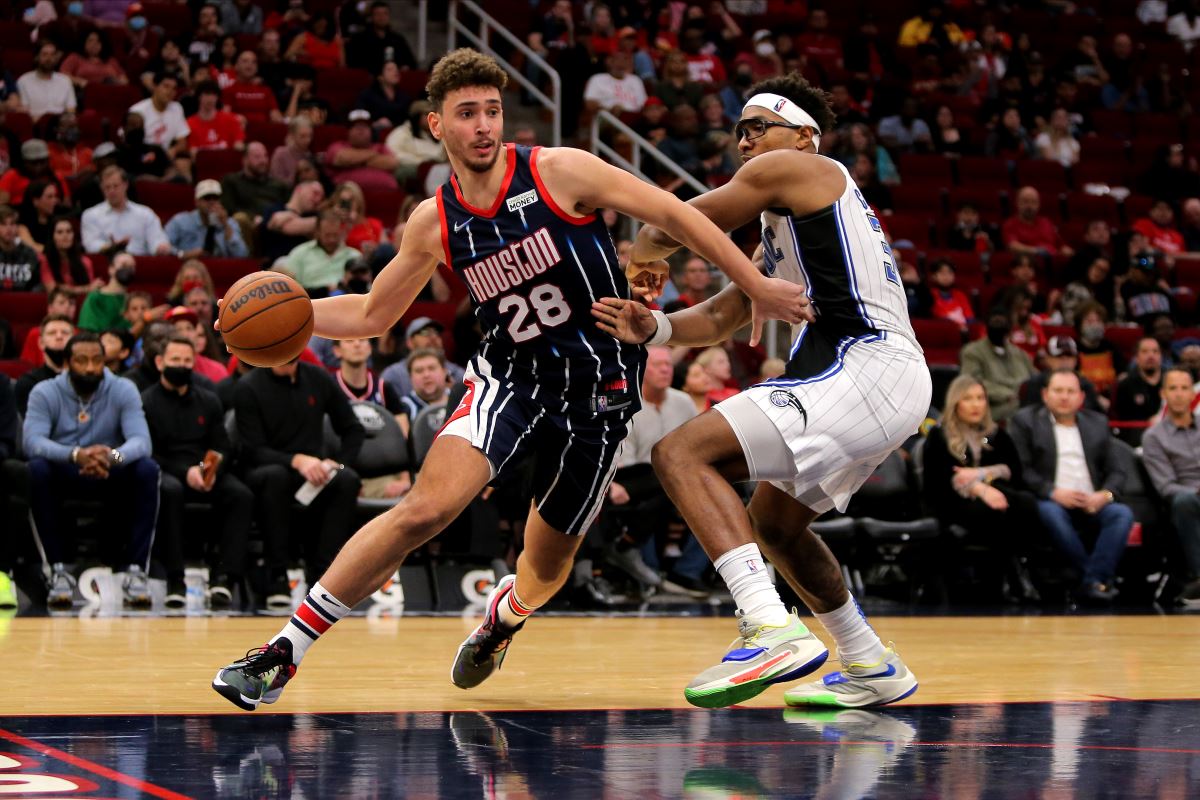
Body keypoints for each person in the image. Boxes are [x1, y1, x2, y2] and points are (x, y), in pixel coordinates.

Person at [212, 48, 805, 711]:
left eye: (492, 110)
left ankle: (505, 616)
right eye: (467, 114)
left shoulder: (560, 171)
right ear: (437, 125)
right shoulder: (433, 221)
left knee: (545, 569)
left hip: (600, 391)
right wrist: (288, 319)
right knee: (427, 508)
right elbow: (374, 313)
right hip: (510, 380)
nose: (485, 125)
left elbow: (676, 215)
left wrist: (751, 282)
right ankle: (282, 652)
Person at [594, 71, 930, 709]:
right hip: (875, 375)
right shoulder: (790, 224)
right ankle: (869, 661)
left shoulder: (810, 170)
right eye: (739, 132)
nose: (744, 142)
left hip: (867, 362)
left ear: (804, 136)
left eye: (758, 128)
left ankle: (769, 625)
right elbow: (723, 316)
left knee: (679, 452)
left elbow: (675, 222)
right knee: (774, 525)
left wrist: (644, 250)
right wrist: (654, 327)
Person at [23, 331, 161, 609]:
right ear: (67, 363)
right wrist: (74, 455)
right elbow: (32, 442)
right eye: (82, 360)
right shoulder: (45, 391)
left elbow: (141, 442)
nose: (90, 367)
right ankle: (58, 570)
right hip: (65, 467)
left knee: (148, 469)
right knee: (35, 470)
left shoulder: (123, 388)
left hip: (110, 468)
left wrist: (113, 456)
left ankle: (135, 572)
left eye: (97, 360)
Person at [233, 357, 364, 608]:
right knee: (275, 477)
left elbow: (352, 428)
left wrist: (338, 463)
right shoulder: (248, 387)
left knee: (347, 479)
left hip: (314, 473)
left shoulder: (318, 378)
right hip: (266, 470)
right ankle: (277, 576)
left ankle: (325, 578)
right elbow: (250, 450)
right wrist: (295, 460)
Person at [142, 335, 253, 609]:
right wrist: (185, 472)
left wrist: (207, 469)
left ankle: (224, 579)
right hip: (167, 469)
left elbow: (222, 446)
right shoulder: (146, 402)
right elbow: (147, 451)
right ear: (159, 362)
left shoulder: (208, 400)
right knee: (169, 490)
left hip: (205, 470)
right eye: (175, 360)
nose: (181, 366)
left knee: (241, 495)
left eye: (187, 361)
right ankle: (174, 580)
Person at [1009, 369, 1134, 604]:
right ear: (1045, 394)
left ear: (1081, 397)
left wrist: (1104, 495)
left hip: (1092, 502)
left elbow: (1117, 470)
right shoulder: (1025, 421)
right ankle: (1095, 581)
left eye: (1070, 391)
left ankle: (1090, 580)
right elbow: (1021, 470)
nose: (1064, 397)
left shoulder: (1098, 423)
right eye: (1058, 391)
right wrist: (1053, 492)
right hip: (1051, 500)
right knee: (1051, 513)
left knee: (1121, 514)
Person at [921, 376, 1040, 602]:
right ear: (956, 402)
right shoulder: (939, 435)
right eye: (968, 399)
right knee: (993, 513)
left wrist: (979, 475)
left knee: (1026, 504)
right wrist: (980, 489)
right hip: (951, 502)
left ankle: (1023, 572)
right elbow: (940, 481)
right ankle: (1009, 577)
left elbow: (1014, 471)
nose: (976, 404)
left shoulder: (997, 434)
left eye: (980, 398)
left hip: (995, 496)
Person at [603, 345, 707, 594]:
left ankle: (685, 571)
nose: (665, 370)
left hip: (675, 479)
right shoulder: (623, 400)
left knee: (720, 495)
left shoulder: (683, 402)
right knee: (664, 484)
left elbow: (698, 446)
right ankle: (643, 563)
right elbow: (619, 459)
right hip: (629, 477)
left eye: (668, 365)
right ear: (641, 369)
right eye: (658, 365)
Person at [1141, 367, 1200, 606]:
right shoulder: (1153, 436)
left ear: (1192, 394)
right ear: (1163, 393)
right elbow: (1165, 486)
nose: (1178, 394)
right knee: (1186, 501)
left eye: (1184, 388)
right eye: (1172, 388)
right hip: (1184, 498)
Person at [960, 306, 1038, 422]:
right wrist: (1008, 395)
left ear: (1010, 327)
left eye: (1002, 323)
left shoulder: (1020, 354)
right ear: (987, 326)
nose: (998, 327)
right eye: (995, 323)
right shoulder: (972, 352)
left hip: (1024, 402)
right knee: (1022, 412)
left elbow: (1036, 378)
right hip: (993, 406)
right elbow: (972, 382)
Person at [80, 166, 171, 256]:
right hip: (109, 262)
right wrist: (111, 247)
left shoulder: (145, 213)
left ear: (125, 185)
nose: (112, 191)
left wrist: (160, 247)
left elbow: (157, 239)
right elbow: (90, 244)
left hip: (139, 263)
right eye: (107, 187)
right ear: (101, 188)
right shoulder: (90, 215)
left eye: (115, 186)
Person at [378, 316, 466, 398]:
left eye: (436, 333)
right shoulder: (393, 375)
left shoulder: (458, 373)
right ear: (410, 342)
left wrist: (455, 392)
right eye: (425, 332)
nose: (433, 337)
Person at [282, 209, 362, 298]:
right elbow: (289, 288)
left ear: (341, 231)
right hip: (312, 302)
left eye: (335, 235)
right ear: (317, 232)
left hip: (347, 302)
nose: (332, 239)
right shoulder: (299, 254)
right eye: (327, 235)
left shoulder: (354, 256)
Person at [1020, 335, 1106, 413]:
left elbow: (1091, 416)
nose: (1065, 361)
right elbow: (1029, 417)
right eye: (1059, 357)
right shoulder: (1035, 385)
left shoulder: (1086, 386)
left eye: (1069, 356)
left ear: (1076, 360)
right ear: (1048, 359)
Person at [165, 179, 249, 258]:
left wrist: (226, 225)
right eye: (207, 198)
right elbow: (162, 247)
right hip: (190, 268)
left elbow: (242, 255)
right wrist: (183, 254)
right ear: (196, 202)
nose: (212, 202)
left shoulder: (229, 222)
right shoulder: (180, 221)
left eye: (215, 198)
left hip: (220, 269)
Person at [15, 313, 73, 415]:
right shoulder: (28, 383)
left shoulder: (85, 380)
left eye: (65, 333)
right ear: (41, 343)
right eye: (52, 333)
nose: (59, 336)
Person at [129, 73, 190, 158]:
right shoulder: (137, 111)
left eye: (174, 88)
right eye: (166, 86)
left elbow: (182, 142)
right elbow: (127, 142)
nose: (170, 91)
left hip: (165, 157)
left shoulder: (177, 108)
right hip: (142, 156)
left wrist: (173, 150)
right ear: (154, 86)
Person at [17, 41, 76, 122]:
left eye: (52, 55)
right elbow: (24, 114)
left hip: (61, 127)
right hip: (35, 127)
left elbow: (71, 111)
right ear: (36, 57)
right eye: (45, 54)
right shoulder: (24, 81)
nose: (49, 58)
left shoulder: (65, 80)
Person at [1114, 336, 1164, 425]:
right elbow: (1122, 420)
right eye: (1145, 351)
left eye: (1155, 351)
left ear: (1161, 356)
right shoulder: (1125, 385)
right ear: (1136, 357)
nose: (1151, 356)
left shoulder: (1171, 381)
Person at [187, 81, 246, 152]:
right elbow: (193, 151)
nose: (210, 98)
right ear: (199, 96)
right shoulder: (190, 123)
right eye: (207, 94)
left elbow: (238, 144)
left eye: (214, 94)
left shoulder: (230, 119)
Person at [0, 204, 44, 291]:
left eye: (12, 224)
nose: (9, 229)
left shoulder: (29, 253)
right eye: (3, 224)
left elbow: (38, 284)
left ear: (17, 227)